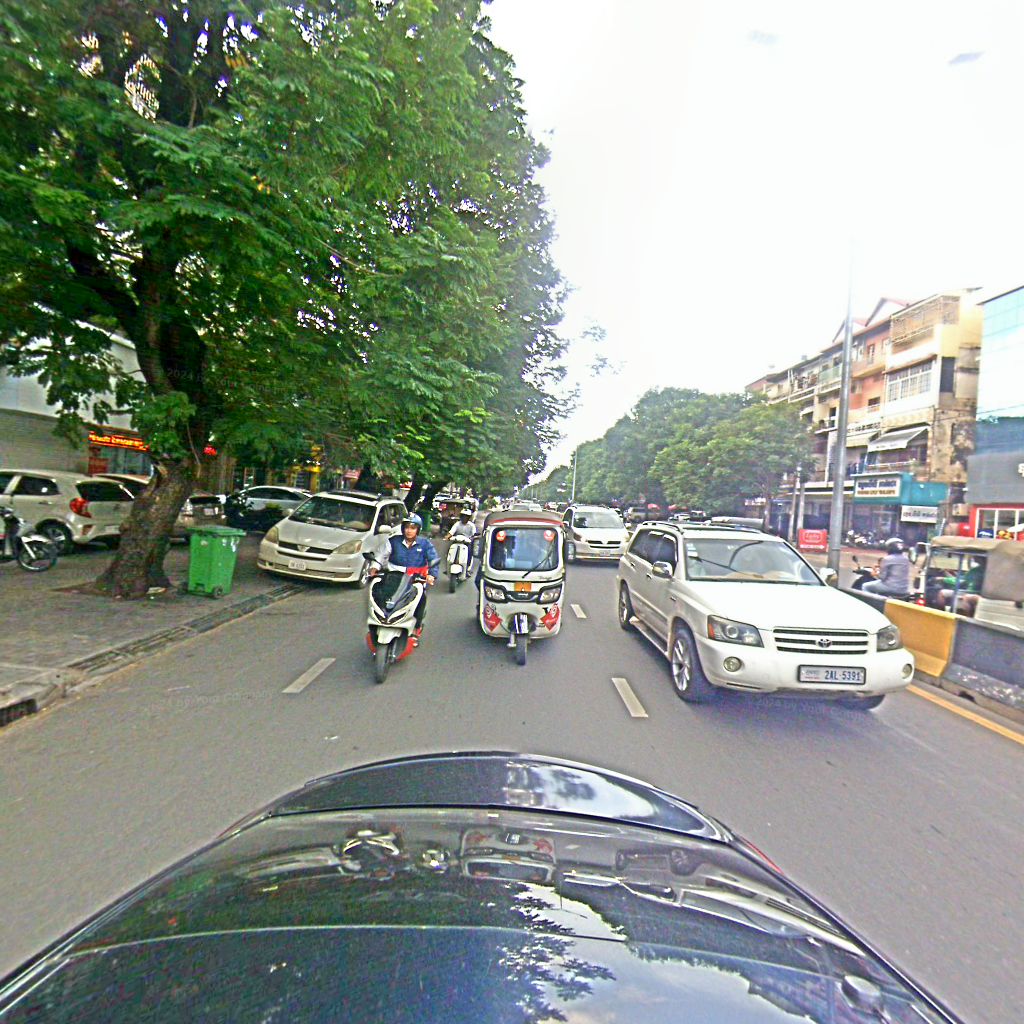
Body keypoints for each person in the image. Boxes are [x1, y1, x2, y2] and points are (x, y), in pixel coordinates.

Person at [370, 513, 440, 640]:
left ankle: (416, 628)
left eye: (413, 528)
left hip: (415, 580)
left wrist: (431, 575)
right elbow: (381, 555)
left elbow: (433, 559)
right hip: (393, 577)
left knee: (421, 601)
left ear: (418, 530)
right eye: (407, 527)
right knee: (379, 596)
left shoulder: (425, 544)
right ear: (403, 528)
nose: (409, 531)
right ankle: (378, 622)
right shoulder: (393, 541)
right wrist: (375, 567)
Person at [446, 508, 478, 574]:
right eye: (463, 516)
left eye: (466, 516)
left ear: (469, 517)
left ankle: (467, 568)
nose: (464, 518)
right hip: (457, 541)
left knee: (469, 552)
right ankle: (448, 566)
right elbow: (451, 532)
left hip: (467, 542)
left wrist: (473, 538)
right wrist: (447, 537)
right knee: (449, 550)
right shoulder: (457, 524)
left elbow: (474, 534)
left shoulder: (471, 525)